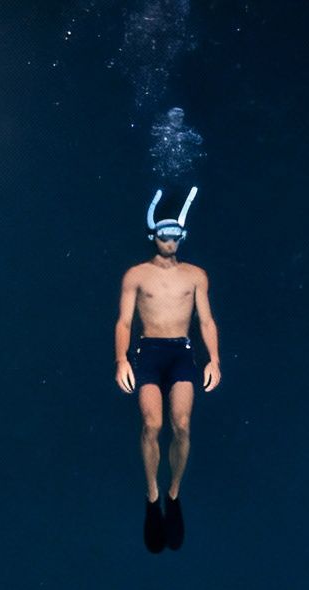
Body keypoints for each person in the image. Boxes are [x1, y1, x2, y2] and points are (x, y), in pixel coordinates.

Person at [115, 187, 221, 553]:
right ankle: (151, 497)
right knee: (152, 425)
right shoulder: (136, 275)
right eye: (164, 233)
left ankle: (173, 495)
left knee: (182, 425)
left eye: (175, 234)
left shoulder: (196, 276)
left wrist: (215, 360)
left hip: (181, 352)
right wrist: (122, 360)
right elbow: (123, 323)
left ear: (183, 236)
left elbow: (206, 321)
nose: (170, 240)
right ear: (153, 235)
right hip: (148, 352)